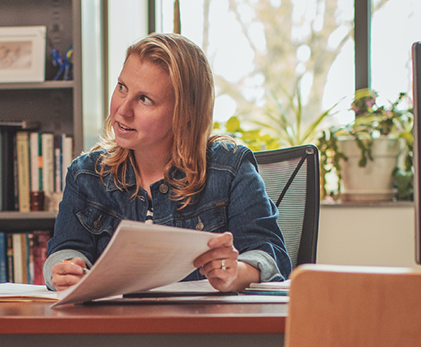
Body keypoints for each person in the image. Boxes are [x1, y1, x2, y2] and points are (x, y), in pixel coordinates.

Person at [44, 33, 292, 293]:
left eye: (145, 99)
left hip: (202, 327)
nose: (122, 109)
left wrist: (234, 273)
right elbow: (66, 249)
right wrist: (66, 269)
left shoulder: (230, 167)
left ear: (184, 113)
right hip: (114, 327)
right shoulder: (86, 174)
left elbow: (270, 256)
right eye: (122, 88)